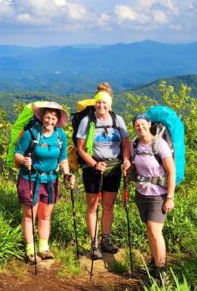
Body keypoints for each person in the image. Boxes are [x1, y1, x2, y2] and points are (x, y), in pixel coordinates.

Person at [75, 82, 131, 259]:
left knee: (108, 206)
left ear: (110, 104)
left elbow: (125, 143)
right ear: (95, 102)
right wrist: (94, 164)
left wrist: (127, 159)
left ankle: (105, 240)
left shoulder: (117, 120)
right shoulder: (87, 120)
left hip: (113, 167)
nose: (101, 105)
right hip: (93, 168)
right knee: (93, 207)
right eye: (98, 102)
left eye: (104, 103)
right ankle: (94, 243)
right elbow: (81, 148)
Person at [14, 102, 75, 263]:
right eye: (47, 117)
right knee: (29, 215)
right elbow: (17, 154)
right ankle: (30, 249)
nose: (50, 121)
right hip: (30, 179)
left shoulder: (60, 136)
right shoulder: (31, 134)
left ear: (58, 120)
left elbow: (62, 158)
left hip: (50, 180)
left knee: (45, 215)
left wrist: (67, 173)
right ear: (42, 117)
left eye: (53, 118)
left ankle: (43, 248)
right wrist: (24, 160)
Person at [129, 113, 175, 285]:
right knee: (150, 231)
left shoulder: (159, 144)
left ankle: (162, 274)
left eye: (142, 124)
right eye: (137, 125)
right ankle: (156, 265)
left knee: (155, 231)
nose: (140, 128)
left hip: (159, 194)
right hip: (141, 193)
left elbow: (171, 171)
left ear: (149, 124)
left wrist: (170, 197)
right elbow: (132, 163)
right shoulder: (135, 144)